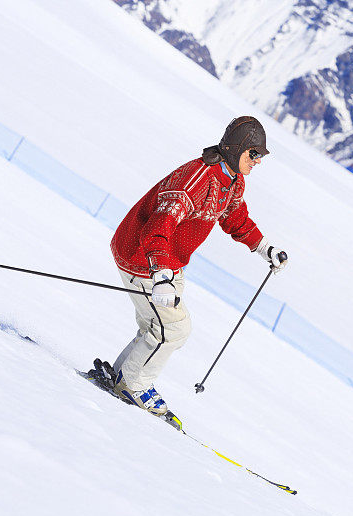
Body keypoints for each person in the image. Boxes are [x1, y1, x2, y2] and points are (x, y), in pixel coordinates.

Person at [100, 116, 288, 416]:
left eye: (260, 156)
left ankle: (124, 375)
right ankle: (133, 384)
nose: (257, 161)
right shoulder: (197, 178)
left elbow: (234, 217)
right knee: (174, 328)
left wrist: (264, 247)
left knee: (158, 325)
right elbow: (159, 225)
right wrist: (160, 273)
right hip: (143, 255)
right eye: (253, 153)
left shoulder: (232, 181)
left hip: (167, 262)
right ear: (236, 148)